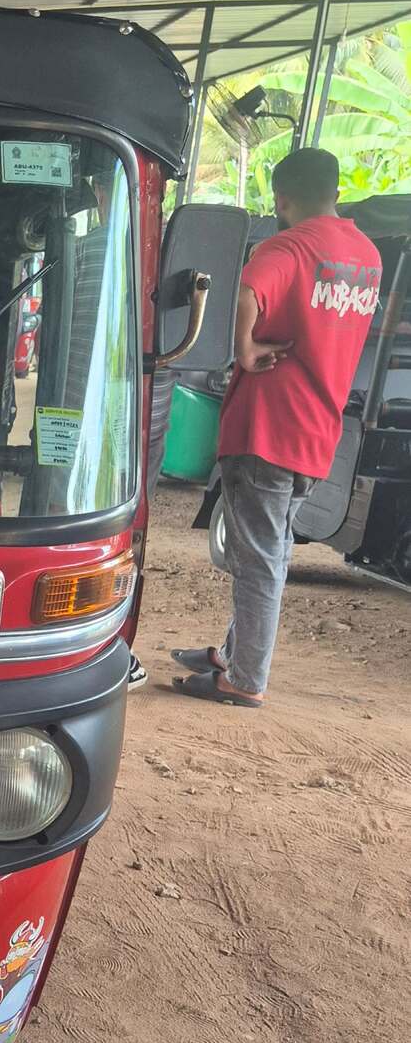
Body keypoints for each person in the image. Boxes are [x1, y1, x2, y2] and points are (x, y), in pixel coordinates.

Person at [172, 148, 382, 707]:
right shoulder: (366, 255)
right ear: (335, 190)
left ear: (282, 197)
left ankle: (245, 680)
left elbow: (247, 290)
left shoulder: (288, 244)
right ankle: (236, 656)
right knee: (273, 550)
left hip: (267, 424)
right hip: (318, 428)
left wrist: (243, 350)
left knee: (258, 558)